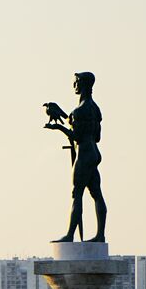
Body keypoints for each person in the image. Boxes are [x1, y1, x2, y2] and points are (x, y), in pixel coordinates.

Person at [45, 72, 107, 242]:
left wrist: (58, 129)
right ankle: (100, 234)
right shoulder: (95, 109)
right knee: (96, 194)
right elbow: (97, 137)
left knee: (77, 193)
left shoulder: (80, 110)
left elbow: (76, 136)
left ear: (84, 85)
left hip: (84, 154)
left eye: (77, 82)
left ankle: (70, 235)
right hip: (93, 152)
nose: (74, 86)